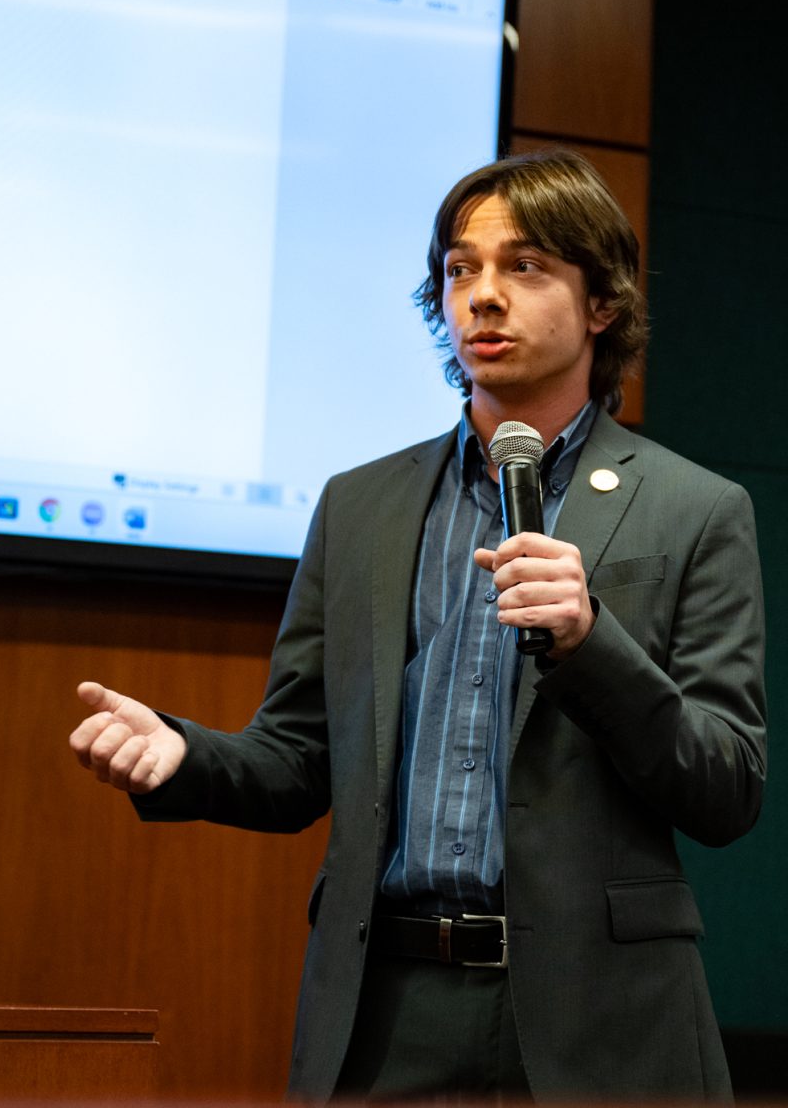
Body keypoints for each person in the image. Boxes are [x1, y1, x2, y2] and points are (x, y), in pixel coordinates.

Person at [70, 150, 766, 1102]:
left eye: (524, 267)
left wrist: (592, 642)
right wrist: (185, 758)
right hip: (386, 1016)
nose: (483, 295)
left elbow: (728, 786)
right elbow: (297, 761)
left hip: (602, 1028)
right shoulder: (361, 506)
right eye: (459, 268)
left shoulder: (695, 510)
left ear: (602, 302)